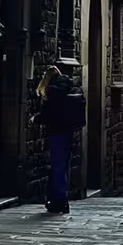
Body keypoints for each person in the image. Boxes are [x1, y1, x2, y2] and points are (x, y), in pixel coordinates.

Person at [34, 65, 84, 215]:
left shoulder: (53, 91)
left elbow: (49, 114)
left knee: (57, 166)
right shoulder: (68, 88)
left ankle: (60, 201)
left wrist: (35, 118)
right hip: (68, 132)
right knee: (63, 166)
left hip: (57, 133)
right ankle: (59, 199)